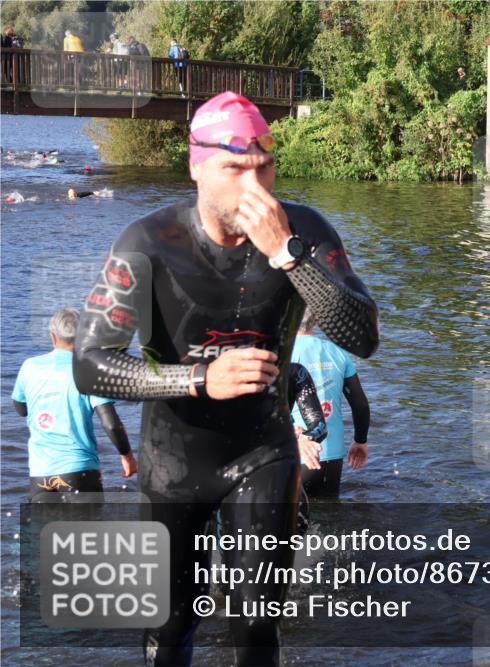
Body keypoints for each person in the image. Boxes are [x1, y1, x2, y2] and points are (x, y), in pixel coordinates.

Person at [73, 90, 378, 667]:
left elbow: (363, 336)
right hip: (172, 461)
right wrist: (196, 379)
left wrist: (288, 256)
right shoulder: (148, 243)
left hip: (262, 451)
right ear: (196, 168)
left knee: (257, 625)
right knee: (168, 626)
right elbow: (90, 364)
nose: (254, 186)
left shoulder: (302, 230)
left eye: (264, 167)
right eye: (235, 168)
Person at [12, 308, 136, 503]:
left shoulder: (29, 367)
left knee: (44, 531)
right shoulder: (89, 371)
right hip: (79, 471)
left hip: (40, 474)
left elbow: (21, 409)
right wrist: (127, 456)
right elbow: (111, 423)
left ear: (53, 337)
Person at [293, 308, 370, 499]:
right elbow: (360, 404)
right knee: (330, 516)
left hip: (299, 449)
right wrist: (360, 441)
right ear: (317, 322)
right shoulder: (338, 352)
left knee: (291, 521)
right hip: (333, 454)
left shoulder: (283, 352)